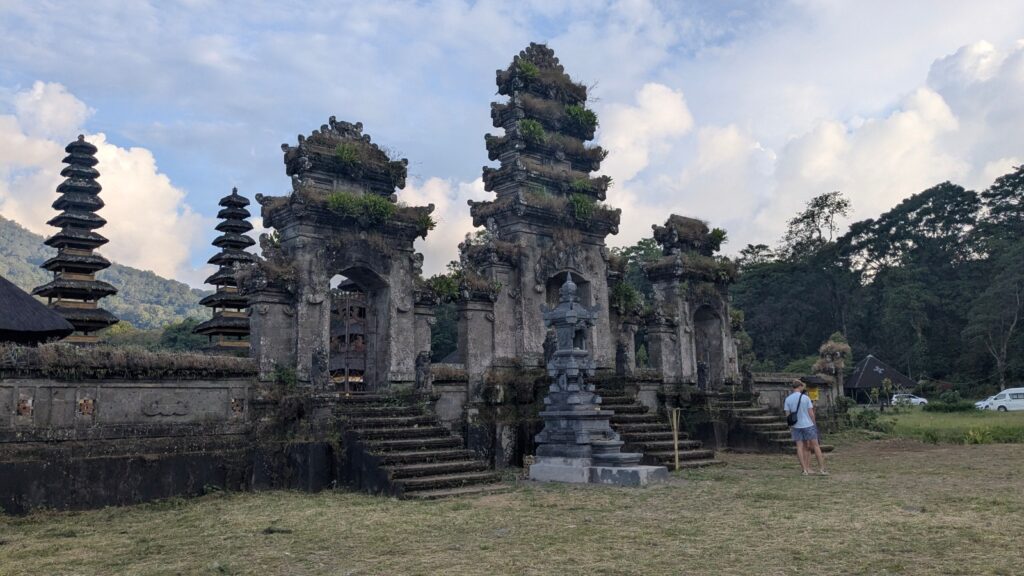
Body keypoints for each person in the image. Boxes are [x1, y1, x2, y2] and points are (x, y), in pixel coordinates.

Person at [784, 380, 828, 476]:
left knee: (799, 447)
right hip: (808, 424)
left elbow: (787, 415)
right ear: (800, 386)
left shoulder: (788, 399)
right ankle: (822, 469)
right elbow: (811, 413)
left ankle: (804, 469)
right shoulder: (805, 398)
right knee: (816, 446)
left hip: (796, 426)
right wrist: (814, 424)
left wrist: (790, 426)